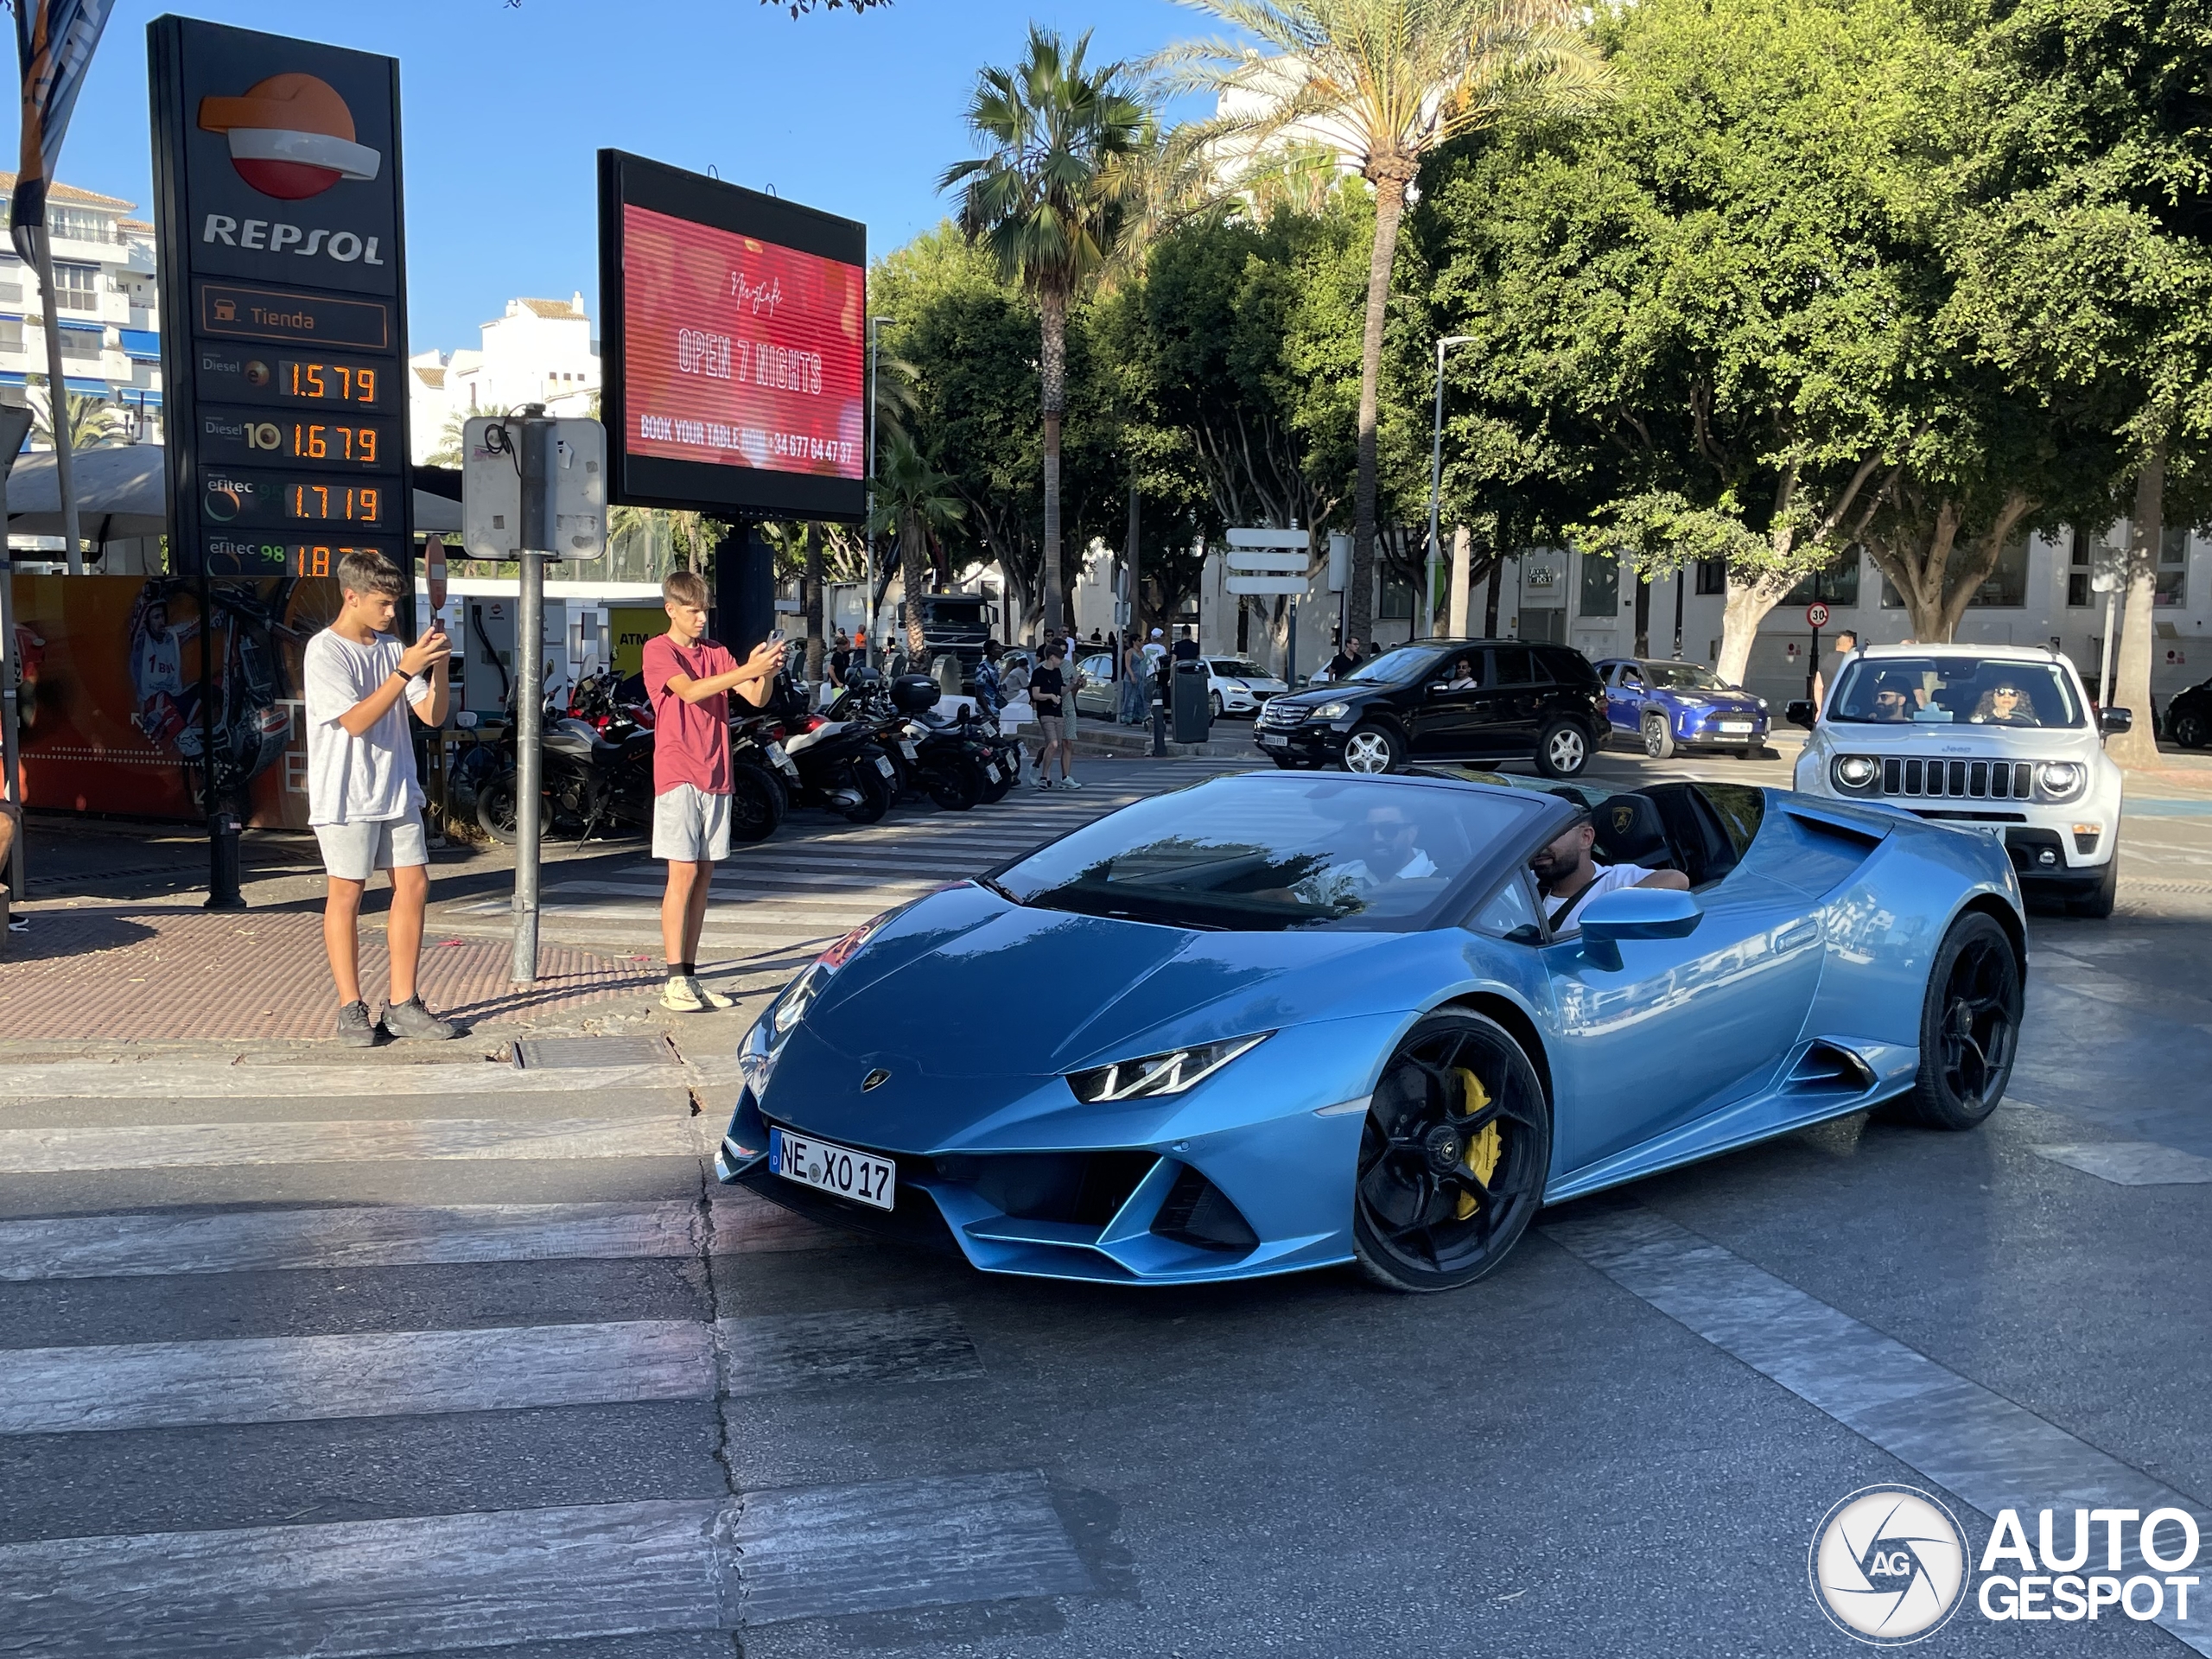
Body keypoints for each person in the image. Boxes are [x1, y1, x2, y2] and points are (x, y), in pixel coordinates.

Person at [303, 550, 454, 1046]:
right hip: (345, 795)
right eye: (384, 603)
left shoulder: (394, 650)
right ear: (352, 596)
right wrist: (406, 670)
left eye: (394, 604)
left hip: (396, 788)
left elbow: (432, 716)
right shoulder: (324, 651)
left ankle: (403, 1002)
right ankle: (350, 1008)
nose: (391, 613)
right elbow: (355, 721)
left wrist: (439, 669)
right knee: (347, 894)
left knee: (413, 886)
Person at [643, 570, 786, 1014]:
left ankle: (689, 973)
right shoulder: (658, 650)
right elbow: (689, 692)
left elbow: (754, 698)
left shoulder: (718, 652)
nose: (701, 618)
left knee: (703, 875)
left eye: (705, 609)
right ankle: (673, 978)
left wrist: (766, 670)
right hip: (678, 771)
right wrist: (748, 669)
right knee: (682, 873)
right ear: (671, 609)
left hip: (717, 770)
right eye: (692, 610)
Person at [1529, 810, 1689, 936]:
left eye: (1553, 834)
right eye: (1536, 835)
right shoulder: (1524, 882)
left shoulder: (1614, 880)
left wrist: (1606, 911)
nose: (1541, 845)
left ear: (1585, 837)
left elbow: (1677, 879)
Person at [1291, 802, 1440, 912]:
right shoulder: (1344, 874)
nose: (1376, 838)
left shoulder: (1445, 880)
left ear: (1412, 833)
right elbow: (1284, 898)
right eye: (1367, 830)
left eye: (1389, 829)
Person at [1030, 641, 1073, 788]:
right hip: (1045, 712)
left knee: (1054, 745)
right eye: (1059, 658)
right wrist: (1050, 696)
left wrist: (1074, 684)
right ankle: (1043, 776)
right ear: (1052, 657)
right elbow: (1035, 694)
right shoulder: (1039, 672)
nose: (1061, 662)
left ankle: (1046, 775)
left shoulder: (1057, 672)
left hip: (1058, 712)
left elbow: (1061, 690)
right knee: (1053, 743)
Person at [1812, 629, 1858, 709]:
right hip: (1847, 708)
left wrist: (1819, 709)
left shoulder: (1826, 661)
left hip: (1827, 709)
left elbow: (1818, 687)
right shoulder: (1852, 661)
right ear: (1850, 642)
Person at [1970, 679, 2038, 726]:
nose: (2007, 696)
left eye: (2012, 693)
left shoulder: (2031, 721)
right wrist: (1992, 715)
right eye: (2001, 692)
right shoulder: (1979, 719)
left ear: (2019, 697)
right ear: (1992, 696)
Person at [1120, 635, 1148, 725]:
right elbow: (1127, 665)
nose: (1142, 642)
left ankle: (1138, 717)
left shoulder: (1142, 653)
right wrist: (1132, 675)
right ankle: (1127, 718)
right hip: (1131, 677)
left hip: (1141, 678)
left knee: (1139, 697)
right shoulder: (1130, 652)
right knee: (1129, 697)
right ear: (1134, 642)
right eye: (1139, 640)